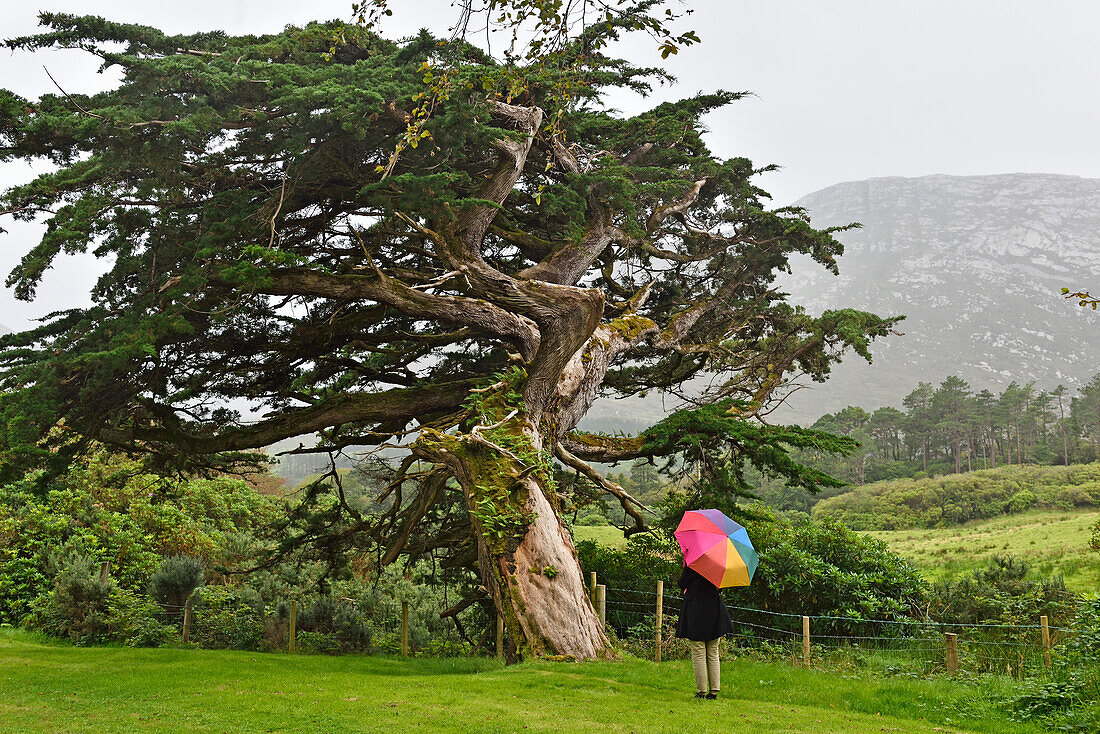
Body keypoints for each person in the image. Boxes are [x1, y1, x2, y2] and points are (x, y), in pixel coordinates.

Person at [675, 565, 733, 699]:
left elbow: (681, 583)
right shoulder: (717, 564)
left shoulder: (694, 564)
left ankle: (701, 692)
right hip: (714, 611)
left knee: (698, 652)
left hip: (696, 611)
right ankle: (713, 691)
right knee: (713, 652)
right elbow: (720, 586)